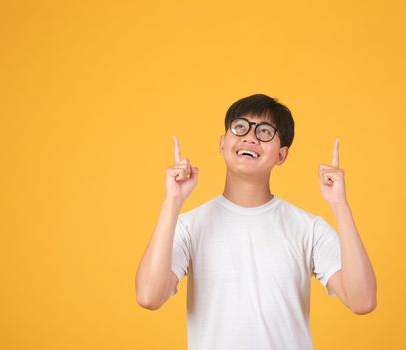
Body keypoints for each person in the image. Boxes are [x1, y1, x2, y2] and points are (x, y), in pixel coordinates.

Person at [135, 93, 377, 349]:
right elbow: (149, 296)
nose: (250, 137)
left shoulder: (308, 228)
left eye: (264, 132)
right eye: (240, 127)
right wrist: (171, 202)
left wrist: (340, 205)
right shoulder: (190, 226)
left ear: (281, 155)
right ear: (222, 143)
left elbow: (362, 301)